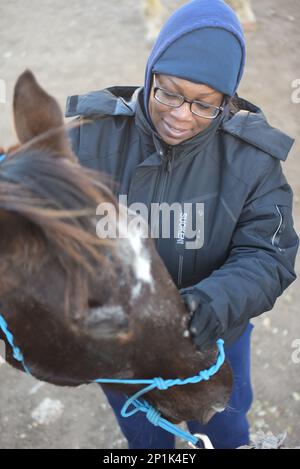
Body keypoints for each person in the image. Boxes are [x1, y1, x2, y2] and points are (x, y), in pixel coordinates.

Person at [66, 0, 299, 449]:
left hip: (215, 342)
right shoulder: (88, 138)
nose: (179, 114)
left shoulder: (252, 161)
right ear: (151, 71)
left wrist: (201, 309)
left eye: (203, 104)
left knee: (225, 430)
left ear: (227, 100)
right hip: (119, 345)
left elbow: (269, 255)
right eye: (168, 92)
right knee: (146, 436)